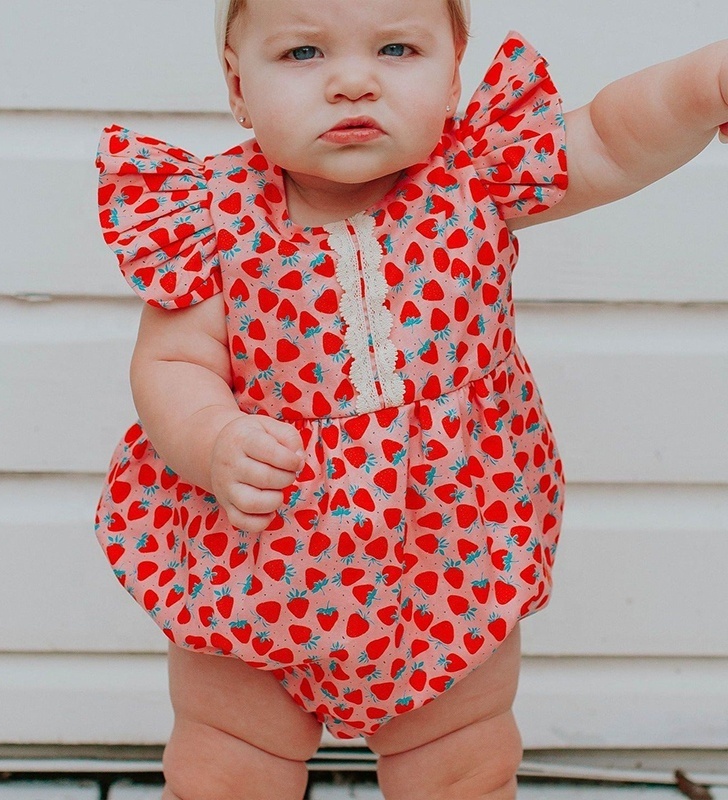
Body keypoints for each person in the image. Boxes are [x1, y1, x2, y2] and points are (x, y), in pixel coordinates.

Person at [93, 0, 728, 797]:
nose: (352, 82)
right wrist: (212, 437)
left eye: (397, 48)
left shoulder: (477, 174)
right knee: (226, 763)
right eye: (301, 54)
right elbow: (172, 361)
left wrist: (707, 83)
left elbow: (607, 134)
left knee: (463, 762)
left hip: (449, 557)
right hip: (258, 561)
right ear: (237, 84)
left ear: (455, 69)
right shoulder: (210, 216)